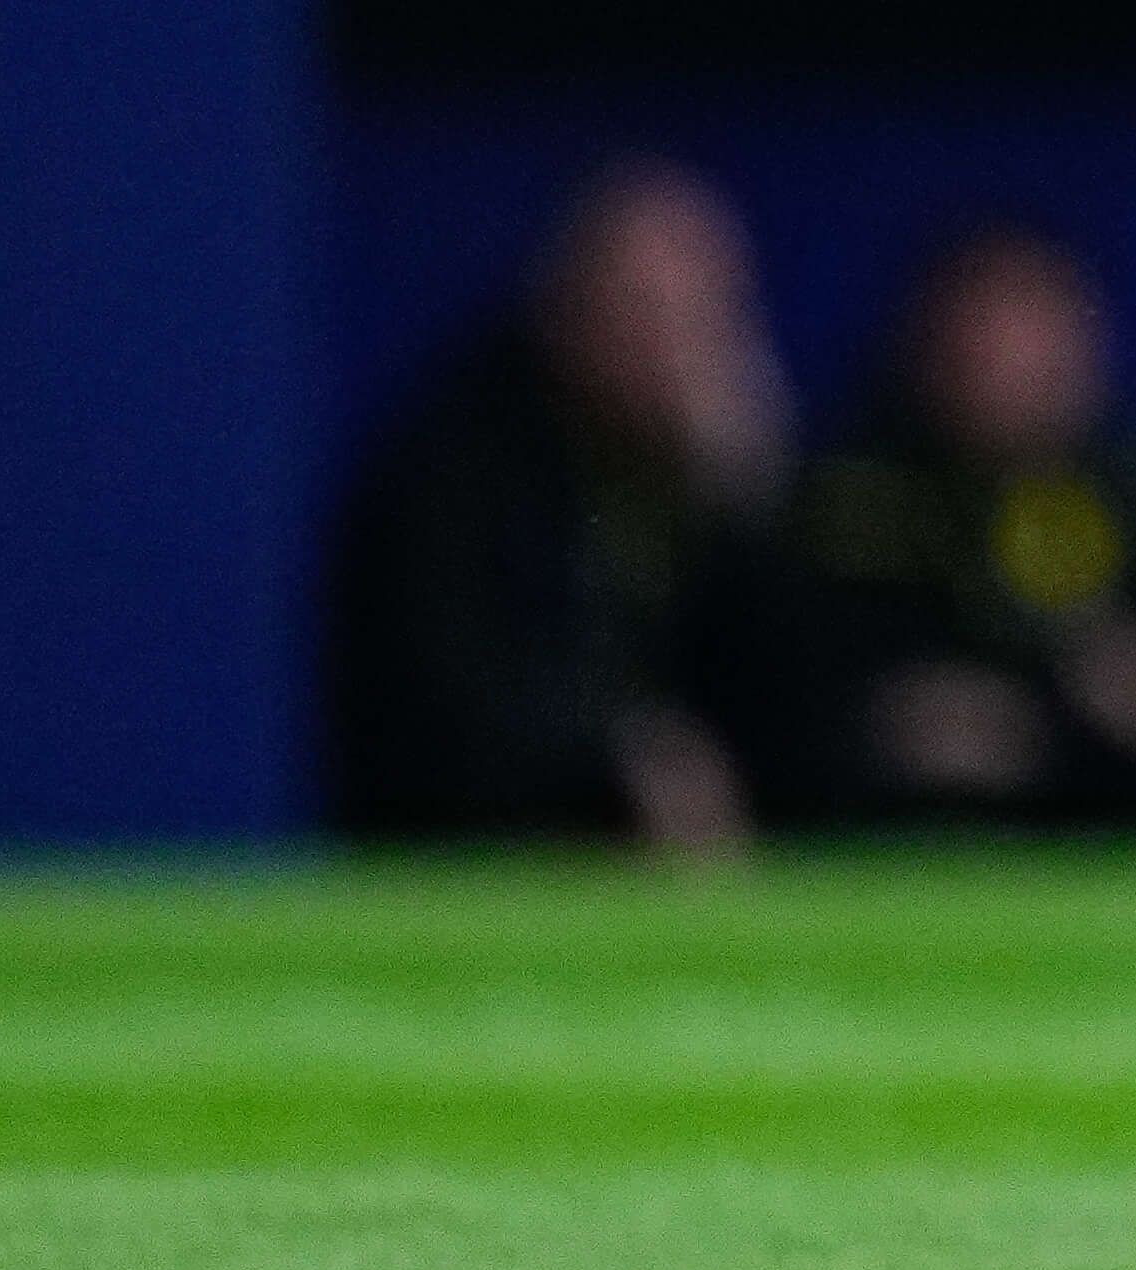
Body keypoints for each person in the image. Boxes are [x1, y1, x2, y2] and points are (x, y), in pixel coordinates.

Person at [314, 161, 808, 852]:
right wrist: (614, 758)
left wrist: (755, 503)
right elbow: (448, 720)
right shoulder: (454, 468)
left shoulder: (726, 476)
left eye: (704, 315)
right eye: (642, 311)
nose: (673, 352)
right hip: (466, 871)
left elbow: (788, 702)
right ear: (564, 309)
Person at [777, 225, 1136, 831]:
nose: (1008, 356)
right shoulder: (846, 496)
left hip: (1105, 851)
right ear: (930, 345)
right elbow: (791, 700)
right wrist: (886, 719)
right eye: (983, 328)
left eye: (1039, 328)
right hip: (887, 852)